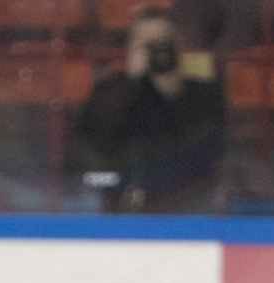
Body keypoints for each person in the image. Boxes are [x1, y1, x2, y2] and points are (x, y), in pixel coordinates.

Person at [77, 5, 225, 213]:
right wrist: (132, 83)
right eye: (145, 45)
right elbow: (93, 148)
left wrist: (172, 90)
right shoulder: (110, 92)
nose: (156, 53)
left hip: (188, 205)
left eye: (162, 44)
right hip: (119, 205)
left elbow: (208, 151)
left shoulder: (203, 94)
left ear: (178, 48)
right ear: (130, 50)